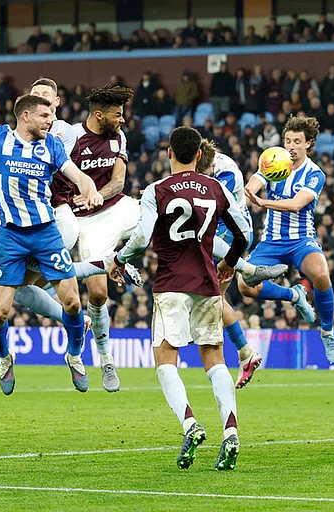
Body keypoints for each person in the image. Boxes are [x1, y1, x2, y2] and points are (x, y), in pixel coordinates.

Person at [0, 59, 103, 394]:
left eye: (52, 114)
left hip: (46, 232)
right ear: (26, 116)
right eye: (46, 115)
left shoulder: (52, 145)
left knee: (74, 304)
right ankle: (5, 358)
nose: (52, 121)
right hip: (12, 237)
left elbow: (75, 174)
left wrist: (89, 188)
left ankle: (74, 355)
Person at [108, 126, 250, 470]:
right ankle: (230, 431)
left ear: (169, 153)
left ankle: (190, 424)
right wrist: (228, 264)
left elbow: (141, 239)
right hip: (206, 281)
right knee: (215, 359)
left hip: (171, 282)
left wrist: (119, 259)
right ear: (199, 155)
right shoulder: (215, 187)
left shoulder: (157, 190)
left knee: (165, 359)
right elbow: (244, 234)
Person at [50, 84, 138, 393]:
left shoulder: (118, 137)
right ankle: (105, 358)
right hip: (83, 220)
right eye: (118, 114)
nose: (123, 119)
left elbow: (118, 181)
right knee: (98, 294)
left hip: (113, 207)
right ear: (99, 115)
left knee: (158, 215)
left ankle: (121, 256)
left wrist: (96, 195)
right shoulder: (71, 137)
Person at [241, 116, 334, 363]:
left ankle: (327, 331)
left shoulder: (315, 173)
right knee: (244, 285)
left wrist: (264, 202)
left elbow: (297, 205)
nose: (291, 146)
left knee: (321, 274)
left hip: (300, 240)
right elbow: (252, 185)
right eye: (288, 141)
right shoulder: (274, 162)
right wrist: (247, 195)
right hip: (271, 240)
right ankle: (294, 296)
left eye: (297, 141)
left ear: (309, 143)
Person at [196, 139, 288, 388]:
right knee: (214, 300)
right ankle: (244, 353)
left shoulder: (225, 173)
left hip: (229, 236)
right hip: (223, 235)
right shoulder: (207, 165)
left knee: (213, 299)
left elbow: (207, 208)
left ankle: (241, 354)